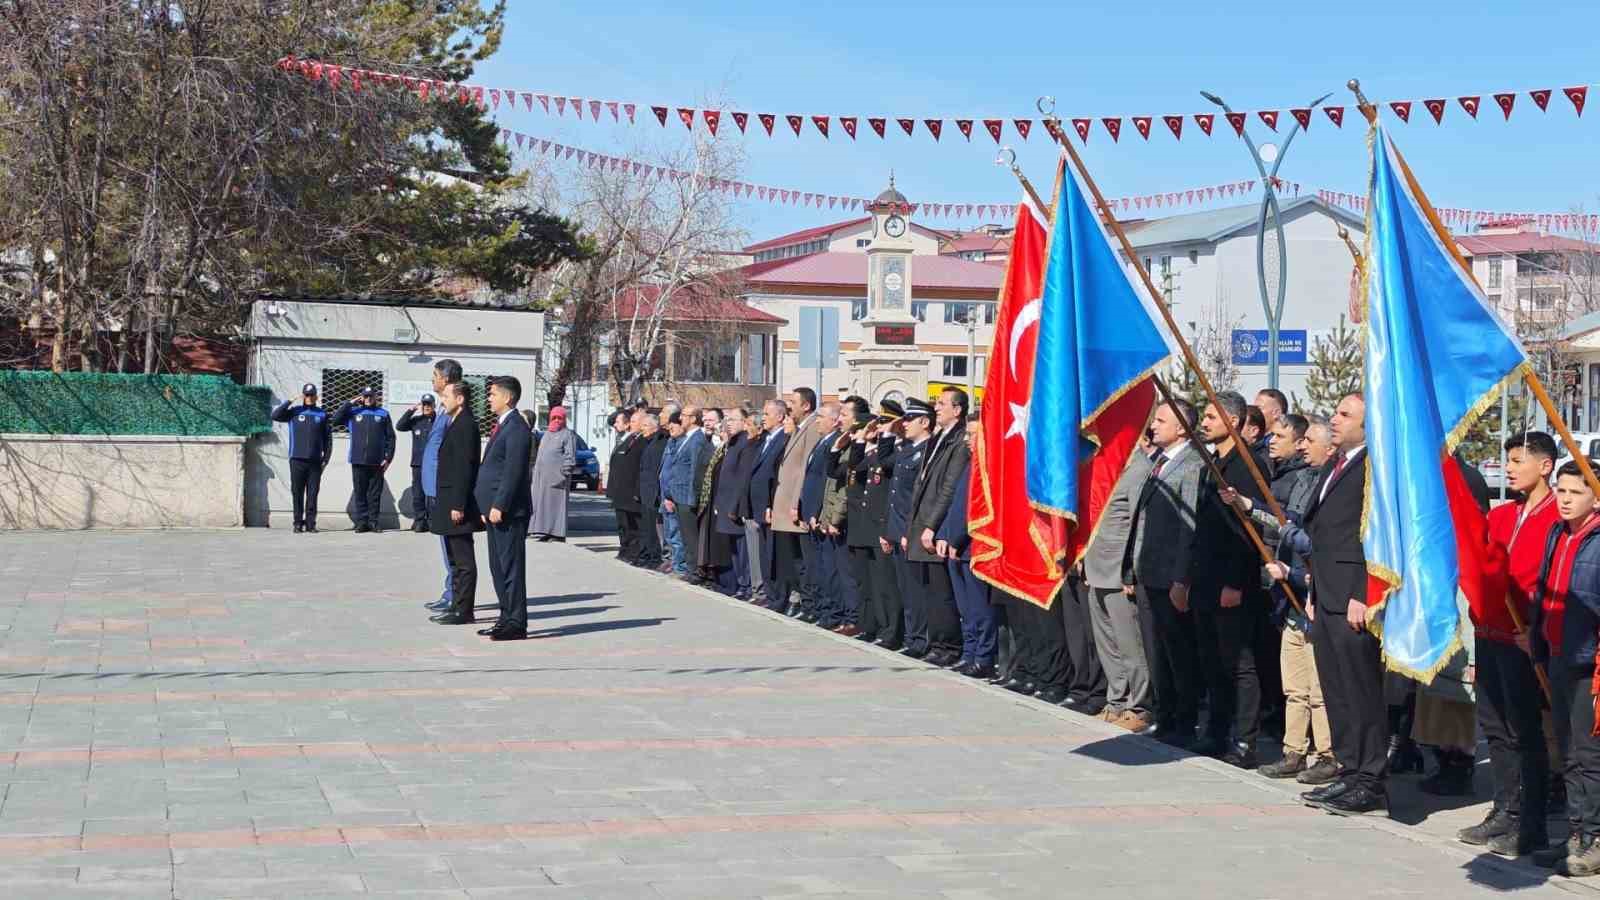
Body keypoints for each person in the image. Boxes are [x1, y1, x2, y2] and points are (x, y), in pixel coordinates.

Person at [1464, 431, 1561, 857]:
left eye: (1519, 460)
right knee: (1495, 729)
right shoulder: (1502, 516)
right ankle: (1505, 807)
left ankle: (1530, 817)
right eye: (1509, 460)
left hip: (1526, 640)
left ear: (1545, 465)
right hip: (1490, 634)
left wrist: (1537, 631)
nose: (1510, 468)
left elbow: (1555, 583)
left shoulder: (1559, 515)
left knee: (1526, 732)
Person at [1301, 392, 1388, 817]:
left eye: (1345, 414)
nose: (1334, 420)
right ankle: (1349, 771)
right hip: (1326, 593)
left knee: (1361, 690)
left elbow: (1373, 534)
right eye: (1334, 412)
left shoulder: (1374, 466)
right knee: (1336, 690)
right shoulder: (1337, 464)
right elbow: (1321, 531)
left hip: (1354, 596)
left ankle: (1370, 780)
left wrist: (1363, 592)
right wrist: (1314, 591)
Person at [1241, 414, 1337, 784]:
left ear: (1329, 448)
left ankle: (1325, 753)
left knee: (1318, 690)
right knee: (1294, 687)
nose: (1301, 446)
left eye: (1308, 440)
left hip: (1313, 598)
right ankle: (1293, 750)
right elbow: (1287, 525)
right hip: (1292, 604)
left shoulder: (1331, 489)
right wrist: (1250, 509)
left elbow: (1312, 545)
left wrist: (1292, 573)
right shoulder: (1304, 482)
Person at [1180, 390, 1268, 767]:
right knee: (1212, 660)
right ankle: (1216, 732)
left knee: (1240, 663)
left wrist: (1235, 582)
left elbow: (1248, 533)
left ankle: (1245, 741)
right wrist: (1184, 578)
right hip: (1203, 577)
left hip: (1232, 582)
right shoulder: (1209, 465)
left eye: (1212, 417)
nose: (1205, 422)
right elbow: (1201, 529)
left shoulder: (1248, 466)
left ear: (1233, 420)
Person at [1531, 461, 1600, 876]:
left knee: (1589, 755)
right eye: (1561, 490)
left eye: (1576, 491)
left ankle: (1593, 837)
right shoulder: (1559, 533)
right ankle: (1575, 833)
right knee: (1569, 754)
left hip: (1588, 662)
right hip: (1557, 655)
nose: (1566, 498)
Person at [1130, 397, 1206, 746]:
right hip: (1147, 570)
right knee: (1156, 650)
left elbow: (1189, 526)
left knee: (1178, 653)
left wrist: (1182, 579)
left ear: (1181, 427)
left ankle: (1183, 721)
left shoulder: (1191, 464)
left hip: (1170, 576)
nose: (1153, 425)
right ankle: (1164, 715)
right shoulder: (1157, 462)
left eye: (1161, 420)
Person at [1084, 437, 1155, 731]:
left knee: (1130, 645)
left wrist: (1131, 572)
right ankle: (1116, 701)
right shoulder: (1108, 467)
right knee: (1107, 642)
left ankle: (1138, 706)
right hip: (1097, 565)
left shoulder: (1140, 469)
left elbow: (1140, 525)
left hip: (1119, 570)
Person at [906, 388, 970, 669]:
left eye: (942, 403)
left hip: (938, 527)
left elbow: (949, 488)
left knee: (942, 593)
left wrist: (932, 525)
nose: (937, 407)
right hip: (922, 523)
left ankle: (948, 646)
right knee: (930, 592)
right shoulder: (939, 438)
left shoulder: (959, 439)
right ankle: (936, 643)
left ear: (958, 410)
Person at [474, 376, 534, 641]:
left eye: (493, 394)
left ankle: (516, 623)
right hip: (493, 510)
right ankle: (505, 617)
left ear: (507, 397)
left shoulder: (517, 427)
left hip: (508, 512)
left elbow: (514, 471)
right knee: (498, 567)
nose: (489, 398)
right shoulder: (503, 425)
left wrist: (500, 504)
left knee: (510, 568)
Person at [938, 416, 997, 678]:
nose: (967, 440)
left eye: (972, 434)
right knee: (966, 608)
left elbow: (973, 510)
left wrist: (956, 539)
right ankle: (970, 652)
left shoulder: (987, 466)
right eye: (966, 435)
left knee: (979, 608)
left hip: (973, 548)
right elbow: (954, 506)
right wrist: (945, 536)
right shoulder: (969, 464)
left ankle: (983, 658)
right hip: (956, 549)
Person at [846, 401, 902, 648]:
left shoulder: (897, 452)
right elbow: (854, 468)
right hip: (869, 526)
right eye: (879, 423)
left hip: (883, 527)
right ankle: (876, 626)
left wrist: (887, 436)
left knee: (887, 585)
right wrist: (860, 441)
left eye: (885, 423)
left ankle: (892, 631)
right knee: (871, 584)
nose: (880, 428)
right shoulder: (877, 452)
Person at [427, 382, 481, 626]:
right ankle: (457, 606)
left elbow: (464, 468)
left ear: (460, 399)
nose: (442, 400)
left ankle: (464, 610)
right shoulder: (455, 422)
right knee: (454, 559)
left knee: (463, 560)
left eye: (446, 396)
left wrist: (458, 504)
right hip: (449, 499)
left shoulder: (466, 425)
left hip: (457, 503)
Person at [770, 388, 823, 615]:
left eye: (793, 402)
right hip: (784, 505)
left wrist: (796, 503)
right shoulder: (798, 428)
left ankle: (806, 602)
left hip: (795, 506)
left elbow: (805, 468)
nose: (790, 407)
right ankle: (797, 597)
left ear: (807, 406)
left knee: (802, 560)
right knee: (791, 558)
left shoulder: (812, 427)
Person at [887, 400, 933, 656]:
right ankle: (911, 636)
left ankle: (920, 640)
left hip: (911, 530)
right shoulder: (906, 450)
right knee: (905, 588)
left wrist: (908, 531)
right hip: (898, 529)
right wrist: (891, 531)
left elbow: (917, 498)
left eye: (909, 419)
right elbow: (894, 493)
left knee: (916, 590)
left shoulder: (927, 450)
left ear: (924, 422)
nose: (903, 424)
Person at [799, 402, 845, 624]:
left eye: (821, 417)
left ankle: (830, 612)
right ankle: (820, 608)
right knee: (815, 566)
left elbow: (825, 482)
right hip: (810, 512)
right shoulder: (821, 442)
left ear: (834, 420)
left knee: (827, 567)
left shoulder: (833, 444)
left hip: (820, 514)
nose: (817, 420)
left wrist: (817, 511)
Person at [423, 361, 463, 616]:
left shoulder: (453, 411)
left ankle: (455, 596)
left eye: (435, 376)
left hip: (444, 488)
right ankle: (450, 592)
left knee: (452, 548)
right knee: (445, 546)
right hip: (434, 487)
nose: (432, 380)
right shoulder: (442, 408)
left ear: (446, 379)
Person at [331, 386, 396, 533]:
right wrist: (350, 403)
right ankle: (362, 522)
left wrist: (388, 458)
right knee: (360, 492)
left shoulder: (383, 414)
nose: (368, 399)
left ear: (375, 397)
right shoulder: (354, 413)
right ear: (362, 398)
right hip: (358, 459)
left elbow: (391, 438)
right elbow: (335, 420)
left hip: (377, 461)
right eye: (365, 396)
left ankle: (373, 522)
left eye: (370, 396)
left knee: (374, 494)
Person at [271, 383, 333, 533]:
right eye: (307, 394)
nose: (309, 397)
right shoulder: (294, 412)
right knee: (297, 493)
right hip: (297, 460)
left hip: (315, 462)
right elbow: (275, 415)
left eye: (312, 395)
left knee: (312, 494)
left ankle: (311, 524)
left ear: (316, 397)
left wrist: (326, 458)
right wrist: (290, 400)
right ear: (303, 396)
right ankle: (297, 523)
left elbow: (328, 439)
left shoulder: (322, 414)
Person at [745, 400, 790, 607]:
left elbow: (776, 475)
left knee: (773, 554)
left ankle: (778, 597)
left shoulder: (783, 438)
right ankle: (770, 595)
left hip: (771, 507)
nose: (762, 417)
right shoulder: (768, 439)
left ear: (780, 417)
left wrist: (771, 504)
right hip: (759, 505)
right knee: (764, 552)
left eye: (767, 413)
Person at [711, 408, 755, 598]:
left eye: (733, 419)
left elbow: (742, 478)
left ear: (744, 422)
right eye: (727, 419)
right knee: (733, 550)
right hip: (724, 503)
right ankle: (739, 583)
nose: (728, 423)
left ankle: (745, 585)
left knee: (742, 549)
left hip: (734, 507)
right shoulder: (733, 443)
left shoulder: (745, 443)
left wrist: (735, 506)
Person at [529, 406, 577, 542]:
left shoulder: (568, 434)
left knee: (557, 507)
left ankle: (557, 534)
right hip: (542, 478)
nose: (556, 420)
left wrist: (563, 474)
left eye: (559, 418)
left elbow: (570, 457)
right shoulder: (547, 434)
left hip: (557, 479)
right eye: (554, 418)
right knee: (542, 505)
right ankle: (545, 531)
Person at [607, 411, 647, 565]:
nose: (636, 424)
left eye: (636, 421)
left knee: (632, 525)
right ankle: (624, 549)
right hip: (620, 490)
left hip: (629, 491)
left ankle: (632, 552)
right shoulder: (627, 439)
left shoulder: (640, 440)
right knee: (622, 524)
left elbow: (637, 467)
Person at [394, 394, 437, 532]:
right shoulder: (416, 421)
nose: (426, 407)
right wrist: (411, 410)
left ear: (434, 405)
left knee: (431, 494)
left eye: (429, 404)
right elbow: (400, 426)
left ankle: (431, 520)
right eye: (424, 404)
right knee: (418, 494)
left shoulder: (439, 421)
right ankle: (419, 520)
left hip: (433, 465)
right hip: (418, 463)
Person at [634, 414, 668, 570]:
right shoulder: (648, 442)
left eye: (646, 425)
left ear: (655, 427)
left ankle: (654, 557)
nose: (642, 428)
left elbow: (657, 470)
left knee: (653, 528)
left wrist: (656, 493)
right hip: (645, 491)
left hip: (653, 493)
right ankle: (647, 554)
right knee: (646, 526)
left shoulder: (659, 443)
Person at [659, 413, 690, 577]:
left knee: (677, 535)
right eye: (669, 424)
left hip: (675, 497)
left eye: (674, 424)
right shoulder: (671, 442)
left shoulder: (683, 444)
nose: (670, 427)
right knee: (670, 534)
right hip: (666, 496)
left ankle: (680, 567)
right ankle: (673, 562)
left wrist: (671, 496)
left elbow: (676, 472)